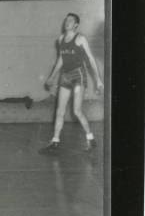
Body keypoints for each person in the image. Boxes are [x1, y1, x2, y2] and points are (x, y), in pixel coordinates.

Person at [39, 13, 104, 155]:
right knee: (60, 111)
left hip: (78, 75)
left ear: (76, 25)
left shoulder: (80, 39)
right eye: (66, 19)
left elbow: (91, 59)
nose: (67, 22)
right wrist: (51, 77)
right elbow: (61, 60)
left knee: (76, 111)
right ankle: (55, 141)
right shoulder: (60, 39)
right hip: (65, 76)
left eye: (71, 20)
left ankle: (90, 138)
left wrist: (98, 79)